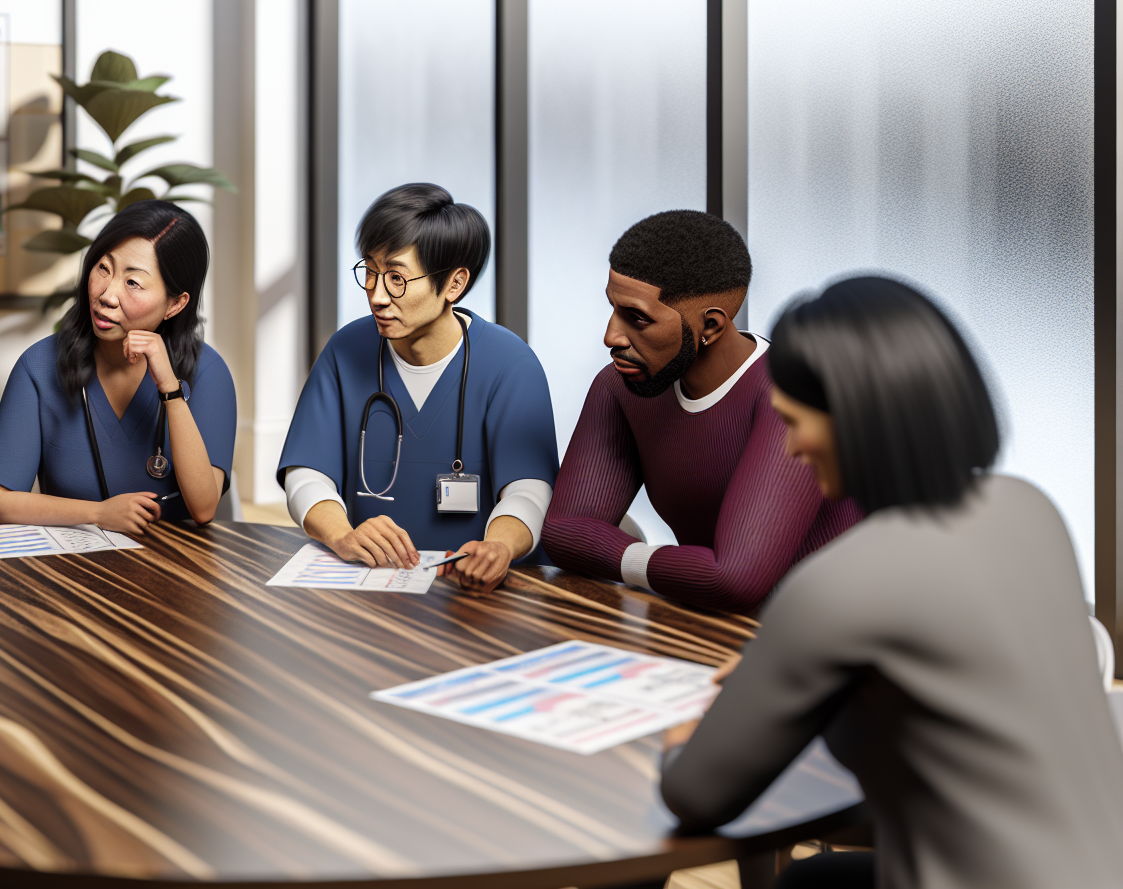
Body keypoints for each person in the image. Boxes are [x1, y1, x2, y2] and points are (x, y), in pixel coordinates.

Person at [660, 276, 1123, 889]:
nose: (793, 447)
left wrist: (680, 735)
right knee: (816, 880)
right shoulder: (1030, 509)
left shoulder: (840, 582)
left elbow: (696, 793)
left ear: (857, 421)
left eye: (797, 422)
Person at [540, 210, 860, 613]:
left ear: (709, 326)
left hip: (826, 629)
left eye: (637, 318)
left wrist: (619, 554)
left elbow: (735, 579)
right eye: (613, 309)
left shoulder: (789, 399)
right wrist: (679, 569)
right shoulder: (619, 385)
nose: (611, 336)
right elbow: (562, 533)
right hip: (703, 619)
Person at [278, 184, 558, 593]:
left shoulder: (510, 364)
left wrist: (497, 546)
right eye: (370, 272)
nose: (376, 295)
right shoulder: (346, 350)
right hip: (372, 586)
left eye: (396, 278)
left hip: (477, 594)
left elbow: (530, 490)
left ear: (454, 284)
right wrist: (342, 534)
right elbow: (306, 473)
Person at [0, 201, 235, 531]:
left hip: (177, 569)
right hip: (75, 565)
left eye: (132, 283)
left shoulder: (209, 372)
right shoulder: (39, 367)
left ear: (175, 304)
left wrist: (170, 388)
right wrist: (97, 514)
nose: (107, 294)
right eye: (103, 268)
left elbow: (203, 508)